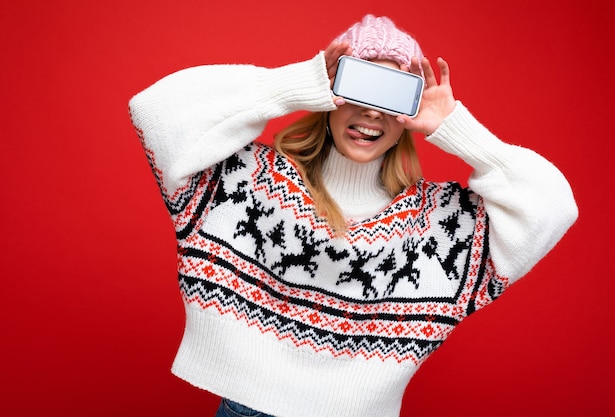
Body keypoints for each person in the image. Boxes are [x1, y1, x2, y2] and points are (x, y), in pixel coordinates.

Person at [129, 14, 577, 417]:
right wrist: (294, 84)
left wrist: (455, 127)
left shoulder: (440, 227)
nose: (372, 110)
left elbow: (554, 208)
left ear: (411, 114)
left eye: (393, 96)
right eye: (359, 87)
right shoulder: (243, 181)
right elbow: (157, 110)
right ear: (331, 93)